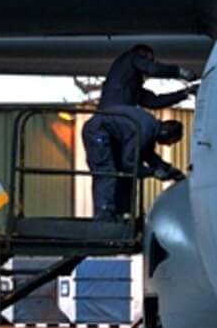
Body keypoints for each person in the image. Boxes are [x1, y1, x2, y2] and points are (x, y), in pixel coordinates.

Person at [82, 44, 193, 219]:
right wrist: (179, 72)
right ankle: (104, 222)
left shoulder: (135, 95)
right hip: (101, 130)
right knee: (108, 173)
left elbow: (154, 103)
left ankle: (120, 215)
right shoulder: (130, 59)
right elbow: (131, 162)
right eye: (148, 59)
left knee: (122, 175)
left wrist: (167, 170)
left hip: (113, 132)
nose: (168, 146)